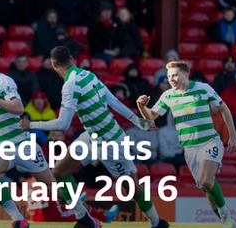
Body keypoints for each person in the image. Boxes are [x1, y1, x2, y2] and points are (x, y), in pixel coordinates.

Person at [20, 46, 167, 228]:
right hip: (92, 137)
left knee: (132, 188)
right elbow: (113, 100)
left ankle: (157, 222)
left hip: (111, 142)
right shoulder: (88, 75)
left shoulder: (69, 85)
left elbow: (63, 125)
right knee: (59, 171)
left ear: (53, 64)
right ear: (72, 59)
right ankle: (84, 219)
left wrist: (31, 124)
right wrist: (138, 121)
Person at [137, 61, 236, 228]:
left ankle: (226, 216)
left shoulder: (203, 88)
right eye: (169, 76)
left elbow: (224, 109)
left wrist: (233, 136)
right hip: (190, 149)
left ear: (186, 75)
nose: (171, 79)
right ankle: (228, 224)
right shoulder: (168, 96)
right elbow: (150, 116)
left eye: (175, 75)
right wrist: (141, 107)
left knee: (206, 180)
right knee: (207, 191)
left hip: (209, 141)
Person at [0, 42, 60, 228]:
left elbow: (19, 109)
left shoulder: (4, 81)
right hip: (0, 145)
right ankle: (19, 219)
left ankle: (86, 215)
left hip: (21, 143)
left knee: (54, 189)